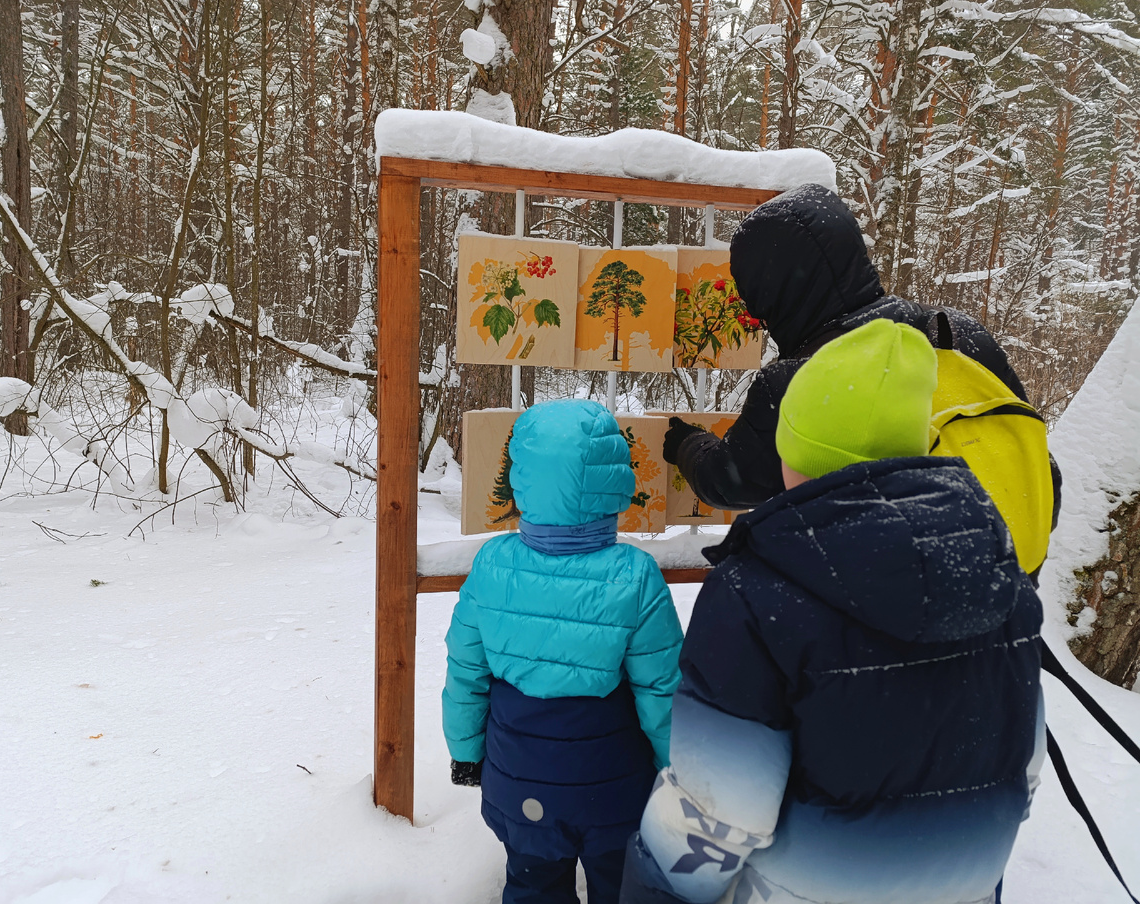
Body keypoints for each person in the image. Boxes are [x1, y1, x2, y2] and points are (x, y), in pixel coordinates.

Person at [621, 320, 1045, 904]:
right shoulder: (1001, 575)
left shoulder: (755, 594)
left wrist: (654, 885)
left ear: (795, 452)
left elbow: (717, 811)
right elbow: (1022, 769)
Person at [663, 182, 1059, 517]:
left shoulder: (796, 380)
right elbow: (1029, 449)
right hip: (1001, 576)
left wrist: (686, 444)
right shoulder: (956, 331)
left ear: (768, 290)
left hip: (882, 599)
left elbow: (730, 481)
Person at [443, 398, 684, 904]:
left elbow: (466, 670)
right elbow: (662, 689)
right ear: (613, 479)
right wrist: (675, 768)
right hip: (612, 784)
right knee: (622, 887)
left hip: (520, 775)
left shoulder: (492, 565)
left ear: (522, 477)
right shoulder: (635, 576)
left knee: (533, 884)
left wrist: (467, 754)